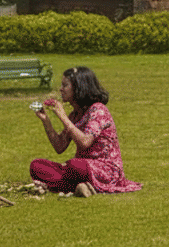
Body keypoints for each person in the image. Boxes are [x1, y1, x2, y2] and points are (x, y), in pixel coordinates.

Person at [30, 66, 142, 196]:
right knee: (36, 166)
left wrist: (62, 117)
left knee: (74, 166)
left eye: (65, 85)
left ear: (78, 87)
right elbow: (59, 147)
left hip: (104, 169)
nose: (61, 89)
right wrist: (46, 121)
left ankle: (64, 185)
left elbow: (84, 142)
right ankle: (79, 186)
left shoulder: (98, 111)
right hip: (82, 168)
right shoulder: (75, 115)